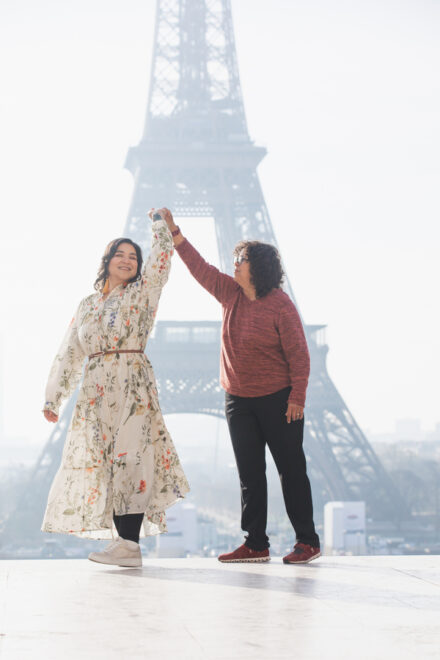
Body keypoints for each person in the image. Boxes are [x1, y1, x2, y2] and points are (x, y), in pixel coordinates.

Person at [159, 208, 320, 564]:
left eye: (241, 259)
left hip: (279, 399)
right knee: (250, 474)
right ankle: (256, 543)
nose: (234, 263)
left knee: (290, 470)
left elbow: (300, 356)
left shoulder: (280, 305)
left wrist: (297, 397)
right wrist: (175, 234)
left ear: (258, 266)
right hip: (238, 399)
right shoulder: (229, 293)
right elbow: (200, 268)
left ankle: (307, 541)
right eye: (235, 258)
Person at [42, 209, 189, 567]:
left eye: (133, 257)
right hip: (95, 394)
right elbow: (69, 351)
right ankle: (124, 543)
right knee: (107, 464)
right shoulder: (88, 305)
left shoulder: (143, 293)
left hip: (131, 387)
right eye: (120, 255)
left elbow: (161, 263)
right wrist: (53, 397)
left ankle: (129, 545)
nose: (127, 260)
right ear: (106, 262)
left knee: (132, 461)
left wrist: (160, 227)